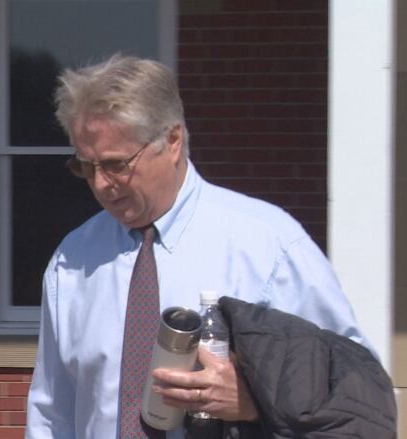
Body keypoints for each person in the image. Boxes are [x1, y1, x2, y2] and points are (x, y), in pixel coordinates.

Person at [24, 54, 372, 439]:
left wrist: (256, 403)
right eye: (86, 167)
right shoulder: (72, 262)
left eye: (116, 165)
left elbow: (355, 391)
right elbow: (52, 413)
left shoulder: (267, 247)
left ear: (172, 141)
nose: (101, 184)